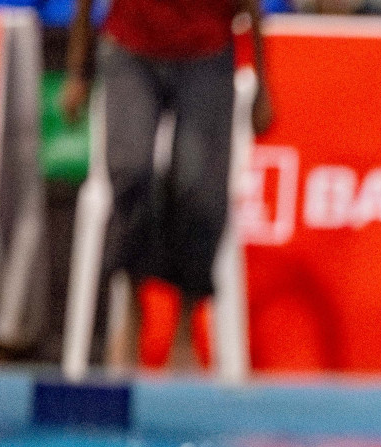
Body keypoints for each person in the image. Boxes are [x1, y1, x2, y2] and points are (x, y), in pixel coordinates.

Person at [61, 0, 274, 372]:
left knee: (199, 187)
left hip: (206, 50)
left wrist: (263, 85)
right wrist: (79, 71)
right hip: (130, 46)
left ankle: (186, 325)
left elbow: (252, 7)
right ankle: (132, 303)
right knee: (130, 171)